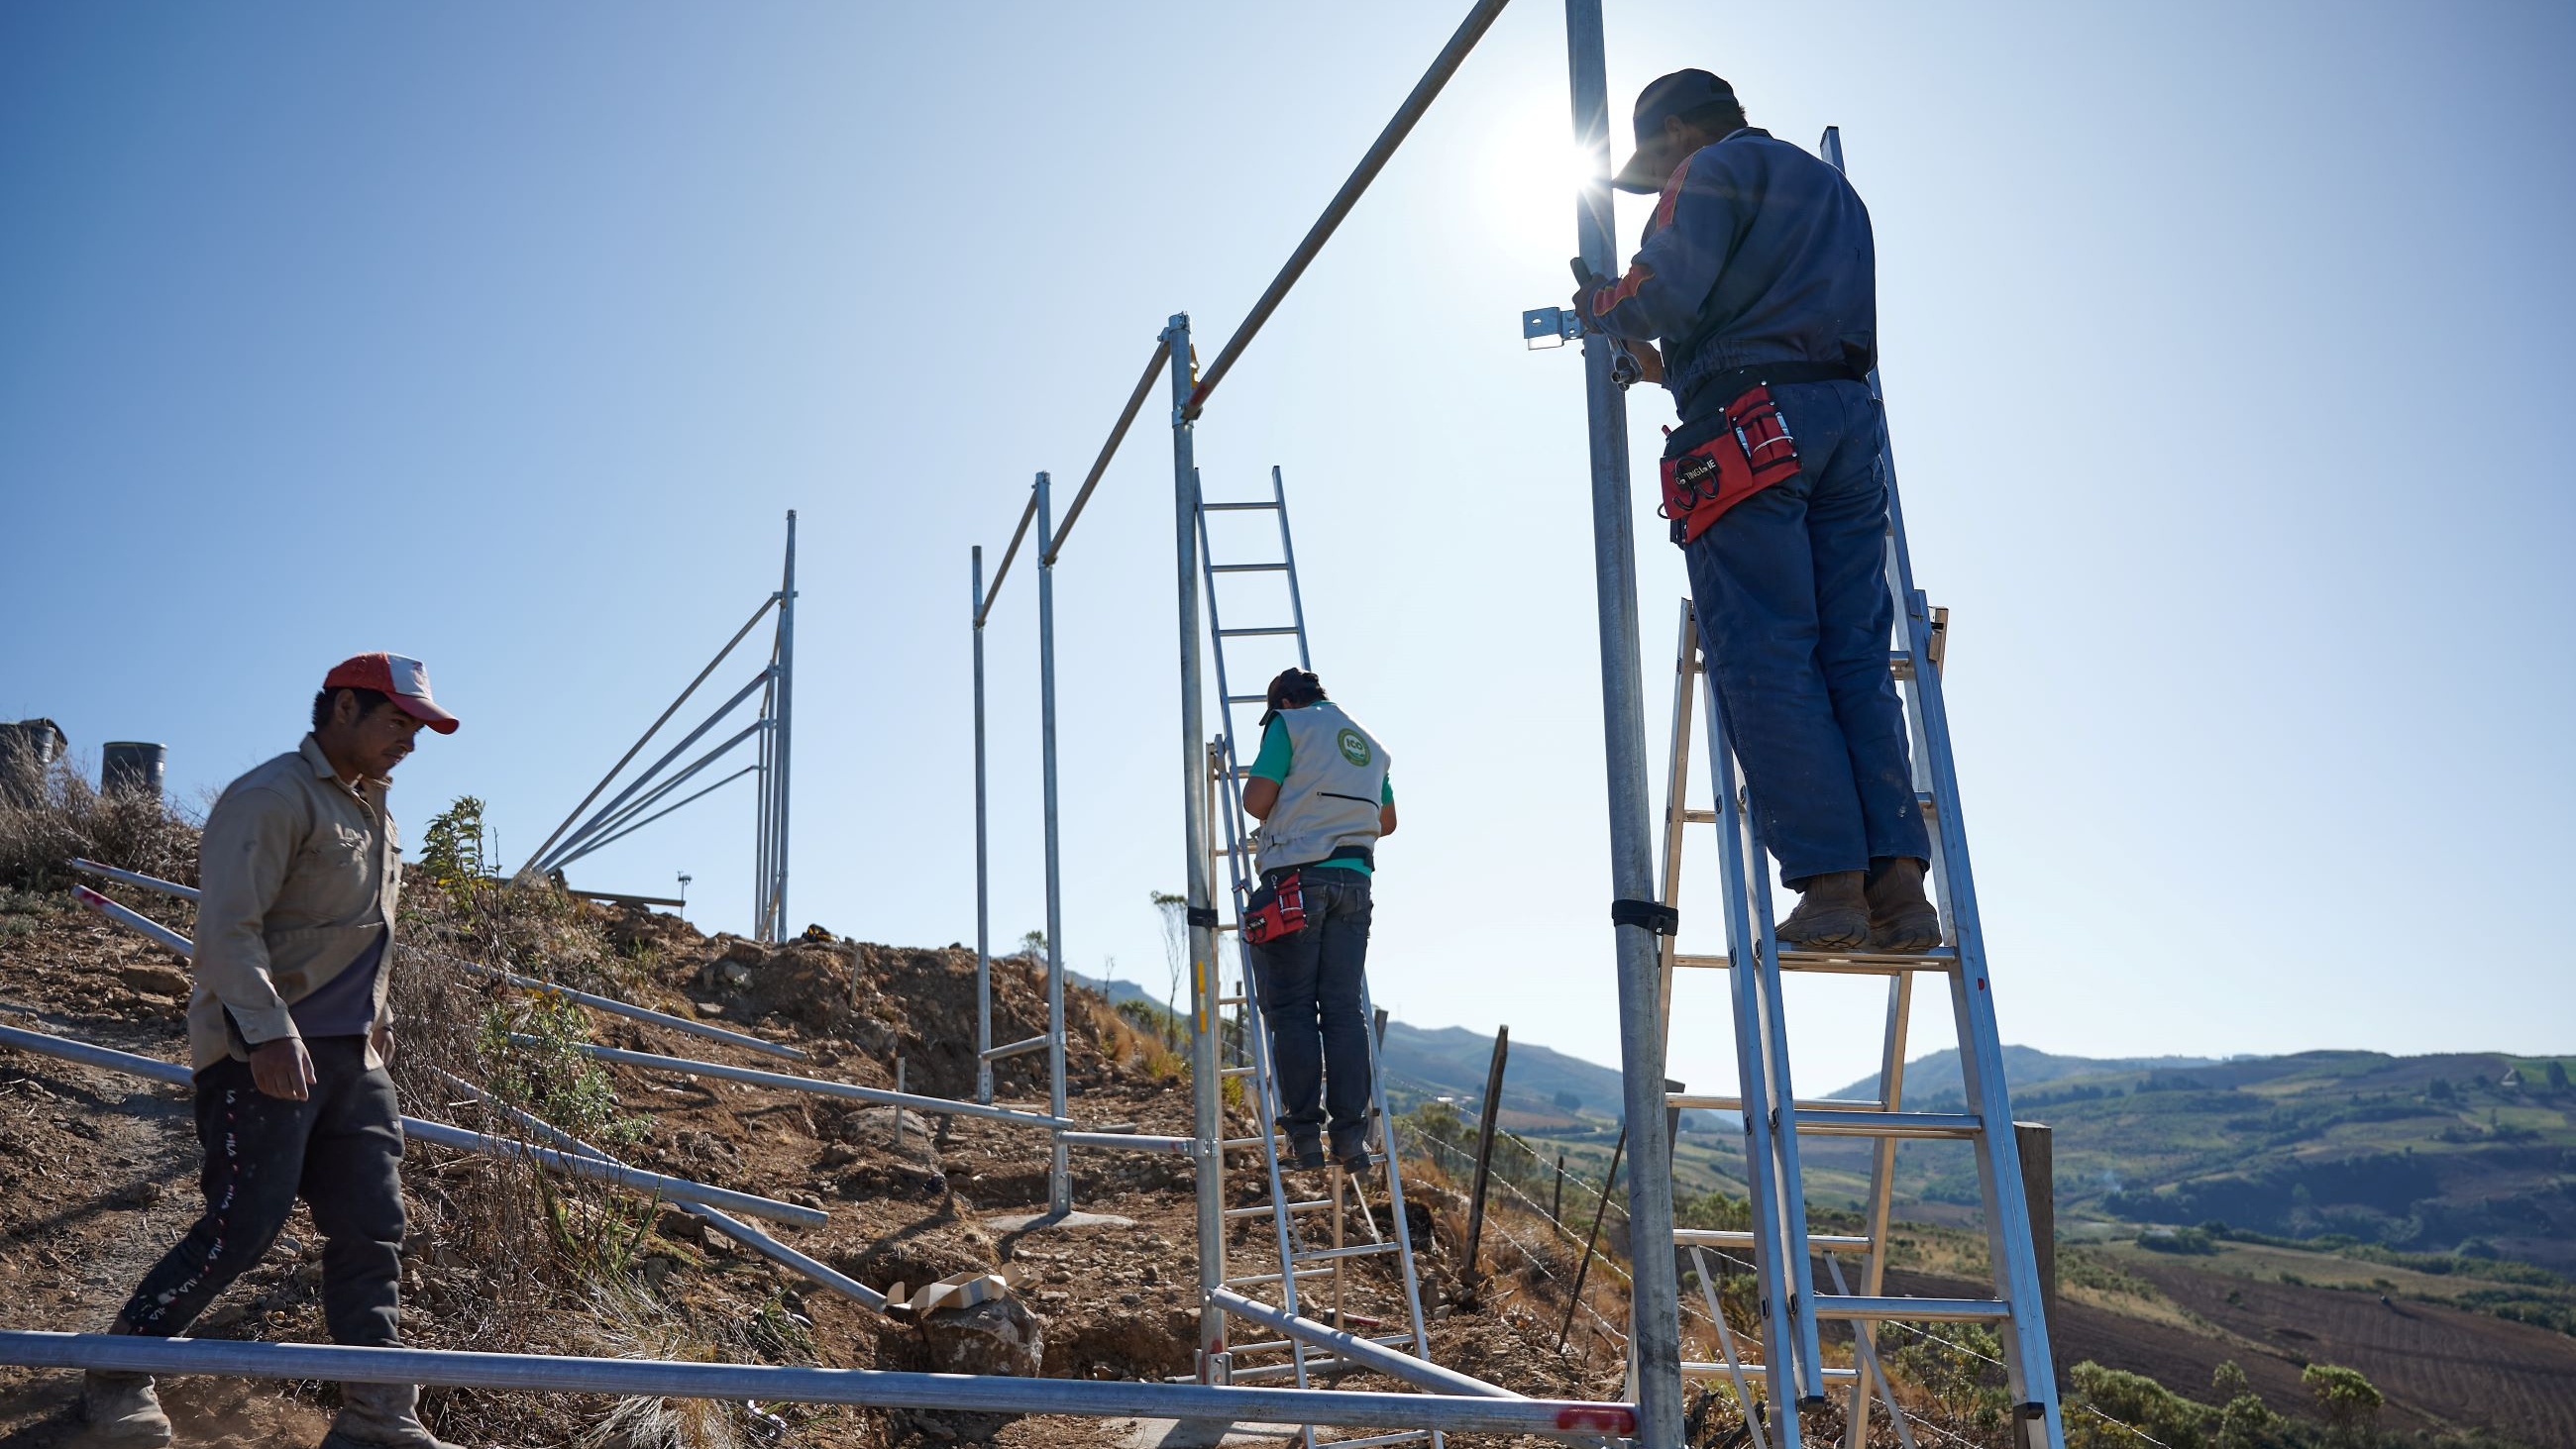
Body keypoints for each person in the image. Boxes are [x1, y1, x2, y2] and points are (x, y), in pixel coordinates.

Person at [1575, 69, 1940, 954]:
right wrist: (1672, 364)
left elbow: (1661, 297)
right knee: (1852, 652)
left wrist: (1602, 302)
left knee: (1767, 652)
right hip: (1845, 426)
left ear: (1674, 136)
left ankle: (1829, 887)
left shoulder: (1705, 174)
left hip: (1749, 431)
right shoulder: (1832, 193)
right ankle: (1899, 886)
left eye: (1655, 159)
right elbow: (1761, 330)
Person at [84, 655, 462, 1449]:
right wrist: (267, 1031)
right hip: (265, 1052)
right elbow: (228, 928)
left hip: (353, 1062)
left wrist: (377, 1013)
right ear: (345, 708)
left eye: (418, 727)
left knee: (372, 1224)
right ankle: (117, 1368)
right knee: (244, 1224)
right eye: (399, 722)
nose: (412, 743)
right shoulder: (272, 796)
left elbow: (349, 933)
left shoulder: (375, 812)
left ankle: (377, 1413)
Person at [1239, 669, 1396, 1175]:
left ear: (1286, 700)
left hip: (1296, 883)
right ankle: (1350, 1138)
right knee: (1344, 1011)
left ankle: (1304, 1135)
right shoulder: (1369, 744)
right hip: (1355, 881)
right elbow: (1386, 822)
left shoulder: (1290, 724)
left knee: (1292, 1009)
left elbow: (1255, 801)